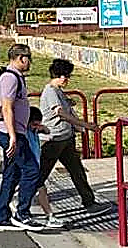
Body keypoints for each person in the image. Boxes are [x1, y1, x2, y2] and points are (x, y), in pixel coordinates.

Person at [38, 58, 111, 216]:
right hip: (54, 140)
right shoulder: (50, 91)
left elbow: (64, 110)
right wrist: (85, 125)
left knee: (77, 171)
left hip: (66, 139)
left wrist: (70, 106)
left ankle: (89, 202)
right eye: (67, 76)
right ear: (61, 76)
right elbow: (61, 113)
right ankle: (19, 203)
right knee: (40, 175)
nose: (68, 80)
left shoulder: (58, 91)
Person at [0, 43, 45, 231]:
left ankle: (2, 217)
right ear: (21, 58)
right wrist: (13, 136)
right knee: (32, 170)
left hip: (13, 132)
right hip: (10, 133)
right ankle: (23, 214)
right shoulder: (10, 78)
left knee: (12, 173)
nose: (30, 62)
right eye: (29, 58)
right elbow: (6, 108)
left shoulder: (16, 77)